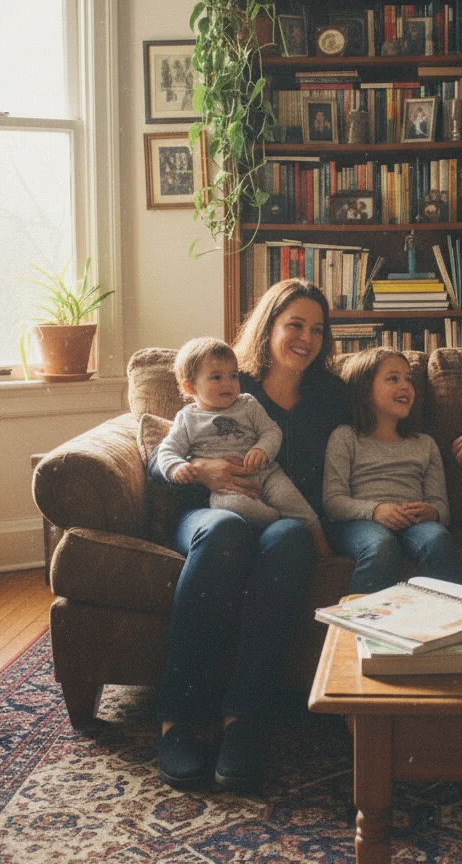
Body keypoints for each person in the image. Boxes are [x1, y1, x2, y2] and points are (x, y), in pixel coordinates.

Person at [151, 279, 345, 792]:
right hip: (211, 511)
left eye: (318, 329)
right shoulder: (231, 381)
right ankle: (176, 719)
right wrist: (207, 469)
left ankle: (243, 721)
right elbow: (160, 458)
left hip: (282, 513)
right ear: (270, 325)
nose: (307, 338)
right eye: (295, 325)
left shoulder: (330, 395)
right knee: (225, 532)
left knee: (291, 541)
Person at [151, 336, 327, 553]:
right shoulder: (187, 419)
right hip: (226, 488)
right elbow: (168, 450)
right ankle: (272, 517)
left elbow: (271, 431)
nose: (228, 383)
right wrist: (177, 467)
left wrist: (262, 448)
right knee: (228, 506)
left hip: (266, 474)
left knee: (295, 504)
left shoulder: (248, 404)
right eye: (216, 377)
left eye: (233, 376)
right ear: (189, 387)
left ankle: (321, 543)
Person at [323, 348, 462, 594]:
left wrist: (431, 512)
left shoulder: (424, 444)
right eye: (393, 378)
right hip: (360, 522)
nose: (405, 386)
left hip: (413, 524)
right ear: (365, 389)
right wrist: (375, 510)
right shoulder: (345, 437)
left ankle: (451, 624)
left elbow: (441, 508)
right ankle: (364, 627)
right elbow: (333, 501)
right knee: (381, 546)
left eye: (408, 379)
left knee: (438, 539)